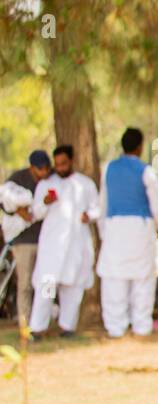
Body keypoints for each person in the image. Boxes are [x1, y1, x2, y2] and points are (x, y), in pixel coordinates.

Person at [97, 128, 158, 338]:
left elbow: (103, 203)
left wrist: (103, 232)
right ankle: (141, 326)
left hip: (114, 227)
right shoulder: (146, 171)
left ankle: (115, 327)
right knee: (142, 279)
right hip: (139, 228)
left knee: (114, 279)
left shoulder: (108, 169)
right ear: (140, 147)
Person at [29, 145, 98, 338]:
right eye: (57, 164)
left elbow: (96, 209)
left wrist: (89, 215)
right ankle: (38, 328)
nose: (60, 168)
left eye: (63, 164)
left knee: (72, 286)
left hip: (76, 245)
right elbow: (35, 213)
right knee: (46, 286)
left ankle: (68, 326)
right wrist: (45, 202)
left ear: (71, 161)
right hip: (52, 248)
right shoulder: (45, 185)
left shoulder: (85, 184)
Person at [1, 150, 53, 328]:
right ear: (32, 167)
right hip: (23, 241)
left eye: (46, 168)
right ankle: (26, 323)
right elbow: (4, 200)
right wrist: (17, 210)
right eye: (40, 169)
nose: (44, 172)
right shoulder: (18, 179)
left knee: (48, 280)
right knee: (25, 283)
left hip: (47, 240)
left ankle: (46, 319)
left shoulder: (51, 179)